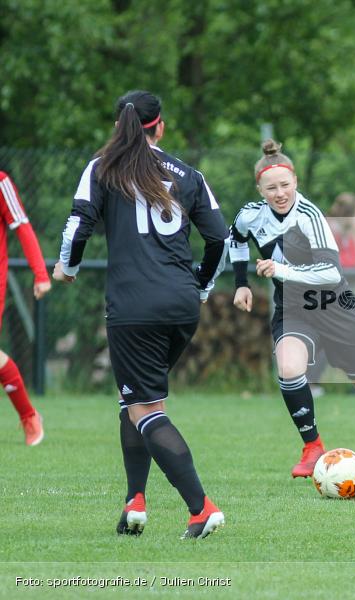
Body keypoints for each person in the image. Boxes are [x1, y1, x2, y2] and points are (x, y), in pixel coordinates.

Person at [53, 90, 228, 538]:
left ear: (119, 127)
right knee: (133, 400)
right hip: (181, 303)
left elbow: (79, 224)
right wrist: (202, 285)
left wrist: (67, 267)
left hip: (135, 306)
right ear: (160, 127)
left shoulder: (103, 167)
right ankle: (135, 501)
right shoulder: (188, 174)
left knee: (145, 406)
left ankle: (201, 507)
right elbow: (219, 240)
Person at [229, 140, 355, 486]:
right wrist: (241, 282)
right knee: (289, 368)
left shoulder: (309, 216)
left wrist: (281, 271)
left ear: (296, 182)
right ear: (259, 188)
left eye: (285, 185)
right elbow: (235, 238)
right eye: (271, 187)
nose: (280, 193)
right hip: (295, 309)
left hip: (336, 309)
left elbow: (331, 272)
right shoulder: (250, 213)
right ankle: (312, 447)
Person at [0, 170, 51, 446]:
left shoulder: (1, 182)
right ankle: (28, 413)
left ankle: (29, 416)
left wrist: (41, 274)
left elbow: (22, 226)